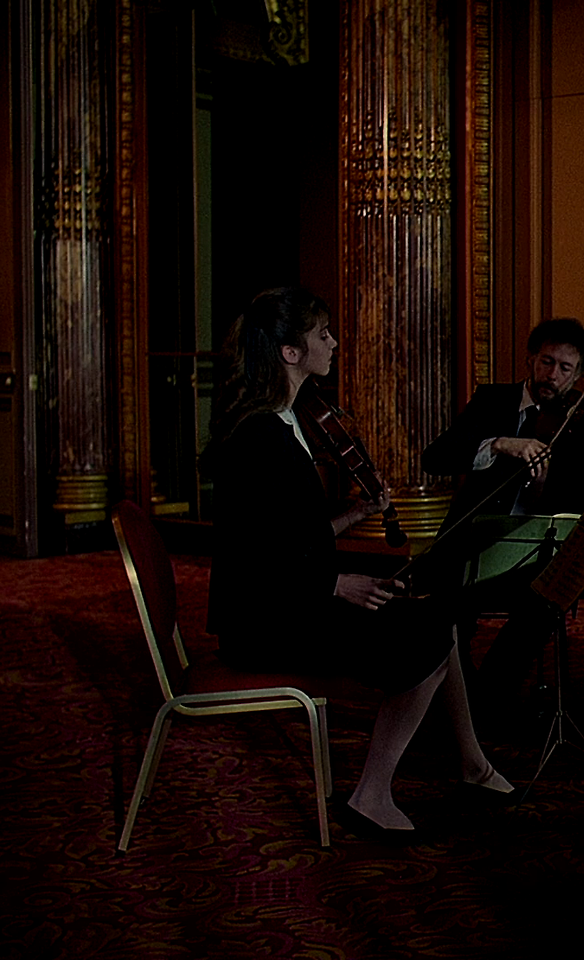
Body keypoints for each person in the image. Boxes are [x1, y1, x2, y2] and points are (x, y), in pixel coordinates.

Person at [204, 286, 511, 834]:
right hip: (264, 622)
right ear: (290, 352)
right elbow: (255, 557)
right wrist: (334, 583)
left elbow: (290, 535)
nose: (334, 343)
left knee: (439, 617)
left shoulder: (282, 420)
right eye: (322, 334)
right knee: (427, 635)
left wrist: (355, 514)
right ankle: (372, 794)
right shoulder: (260, 437)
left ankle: (473, 765)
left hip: (287, 600)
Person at [421, 317, 584, 716]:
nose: (552, 376)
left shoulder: (579, 421)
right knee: (449, 614)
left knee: (545, 605)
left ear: (578, 376)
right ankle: (455, 700)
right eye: (547, 362)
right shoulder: (492, 400)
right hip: (470, 547)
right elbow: (436, 457)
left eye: (565, 368)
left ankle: (488, 698)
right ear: (530, 360)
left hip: (533, 553)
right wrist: (499, 444)